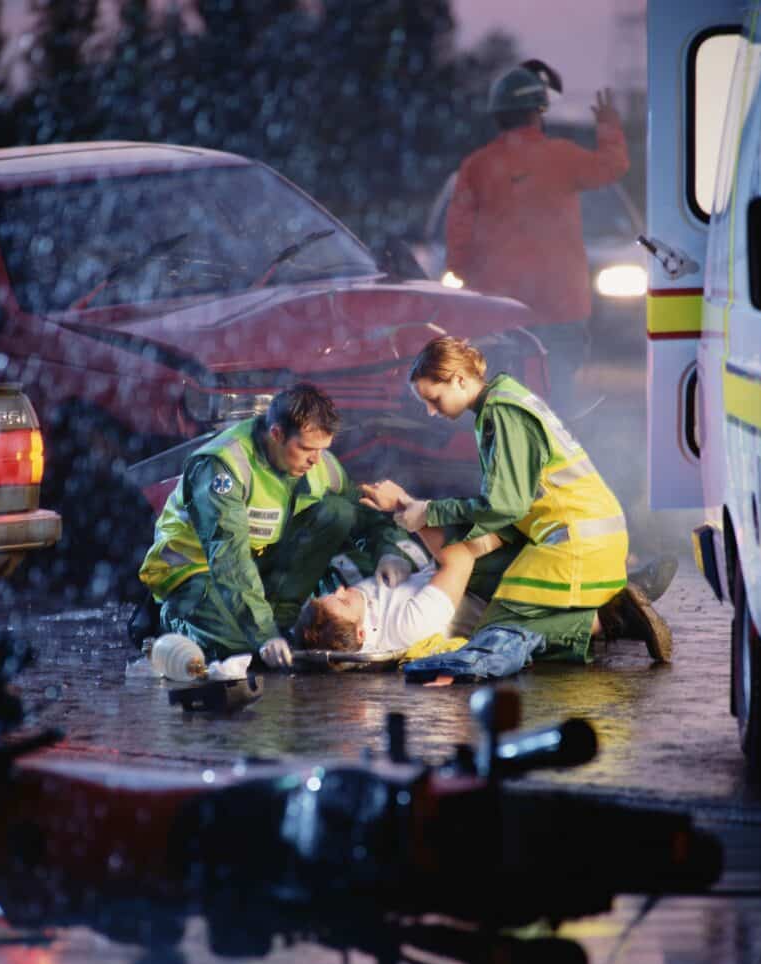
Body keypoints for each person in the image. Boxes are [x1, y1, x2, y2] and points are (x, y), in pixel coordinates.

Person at [360, 336, 672, 665]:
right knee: (480, 576)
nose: (431, 411)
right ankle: (608, 601)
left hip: (574, 543)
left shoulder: (502, 414)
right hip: (581, 534)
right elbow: (512, 505)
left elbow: (505, 506)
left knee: (496, 633)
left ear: (459, 379)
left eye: (434, 399)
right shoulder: (503, 401)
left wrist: (429, 512)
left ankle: (615, 620)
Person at [137, 383, 425, 669]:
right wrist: (264, 636)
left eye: (323, 449)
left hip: (258, 569)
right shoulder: (223, 467)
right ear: (276, 434)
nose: (316, 460)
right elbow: (229, 559)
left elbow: (364, 513)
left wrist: (391, 552)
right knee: (240, 644)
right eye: (307, 449)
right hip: (197, 574)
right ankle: (170, 620)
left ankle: (280, 618)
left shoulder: (319, 463)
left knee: (337, 511)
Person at [445, 61, 629, 418]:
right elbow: (614, 166)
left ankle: (508, 463)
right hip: (561, 306)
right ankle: (554, 464)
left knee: (501, 399)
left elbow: (459, 234)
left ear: (497, 115)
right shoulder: (562, 156)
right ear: (538, 112)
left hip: (500, 311)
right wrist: (607, 125)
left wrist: (464, 280)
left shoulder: (477, 166)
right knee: (557, 398)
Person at [296, 526, 544, 670]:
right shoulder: (408, 628)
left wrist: (388, 554)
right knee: (477, 528)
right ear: (362, 634)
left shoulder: (350, 620)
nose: (342, 590)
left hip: (436, 572)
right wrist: (413, 516)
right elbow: (460, 561)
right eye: (343, 600)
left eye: (334, 594)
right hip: (482, 586)